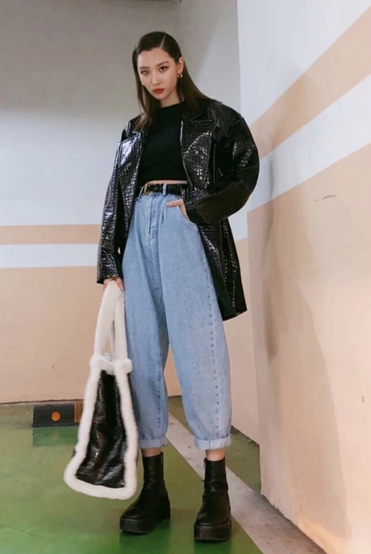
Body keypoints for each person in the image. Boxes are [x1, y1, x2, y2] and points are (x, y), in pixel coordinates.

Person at [97, 31, 259, 542]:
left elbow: (245, 171)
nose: (154, 79)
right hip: (138, 237)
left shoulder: (216, 118)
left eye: (162, 68)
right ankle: (154, 489)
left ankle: (216, 491)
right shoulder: (133, 131)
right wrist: (110, 257)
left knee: (199, 353)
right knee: (142, 359)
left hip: (183, 224)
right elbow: (116, 195)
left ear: (181, 66)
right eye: (145, 72)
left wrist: (198, 208)